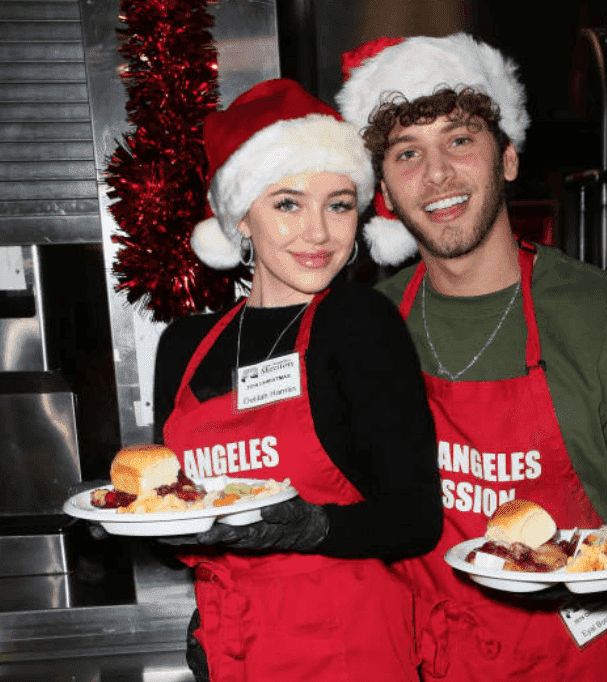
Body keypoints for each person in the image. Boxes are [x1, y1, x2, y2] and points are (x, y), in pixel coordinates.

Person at [336, 33, 607, 681]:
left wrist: (581, 572)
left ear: (506, 157)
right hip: (403, 654)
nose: (438, 174)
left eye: (459, 139)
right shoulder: (357, 333)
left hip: (561, 656)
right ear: (385, 191)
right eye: (407, 153)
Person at [153, 78, 441, 682]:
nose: (319, 232)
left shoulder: (356, 323)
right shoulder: (184, 345)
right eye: (287, 203)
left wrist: (313, 525)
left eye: (338, 204)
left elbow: (415, 519)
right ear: (241, 219)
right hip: (231, 645)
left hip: (348, 650)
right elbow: (178, 516)